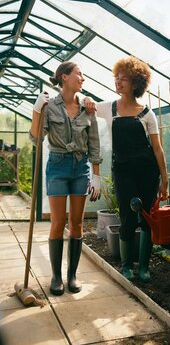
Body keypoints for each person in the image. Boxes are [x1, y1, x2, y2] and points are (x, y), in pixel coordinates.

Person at [84, 55, 168, 282]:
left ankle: (144, 267)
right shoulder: (108, 108)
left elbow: (158, 149)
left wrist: (164, 178)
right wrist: (88, 98)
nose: (118, 82)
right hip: (123, 171)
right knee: (129, 217)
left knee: (148, 218)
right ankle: (127, 265)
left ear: (136, 84)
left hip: (148, 172)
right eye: (117, 78)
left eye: (123, 79)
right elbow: (86, 104)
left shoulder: (147, 113)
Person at [29, 61, 102, 296]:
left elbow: (94, 143)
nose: (83, 78)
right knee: (58, 223)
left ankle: (72, 276)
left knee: (77, 224)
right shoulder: (50, 106)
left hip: (80, 167)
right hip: (58, 167)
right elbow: (36, 139)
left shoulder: (87, 107)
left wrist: (97, 176)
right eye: (79, 74)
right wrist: (37, 110)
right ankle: (57, 277)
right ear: (64, 77)